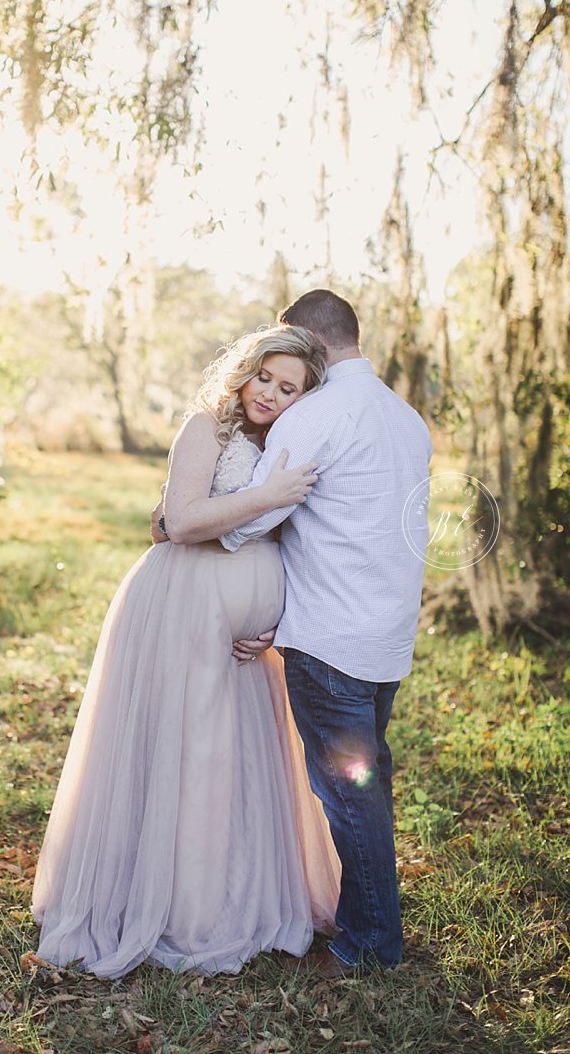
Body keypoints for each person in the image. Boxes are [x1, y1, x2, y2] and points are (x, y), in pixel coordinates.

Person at [31, 325, 341, 978]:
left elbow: (302, 545)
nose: (271, 394)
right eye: (266, 377)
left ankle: (231, 897)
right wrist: (267, 495)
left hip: (251, 642)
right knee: (183, 748)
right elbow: (182, 521)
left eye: (289, 388)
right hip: (180, 609)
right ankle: (172, 906)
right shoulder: (206, 429)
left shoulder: (290, 441)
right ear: (245, 371)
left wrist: (280, 622)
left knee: (231, 759)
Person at [218, 289, 433, 978]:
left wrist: (186, 517)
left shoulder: (315, 414)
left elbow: (246, 521)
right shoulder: (408, 421)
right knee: (365, 789)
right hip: (385, 638)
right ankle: (368, 926)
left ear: (302, 339)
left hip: (329, 640)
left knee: (349, 794)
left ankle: (370, 946)